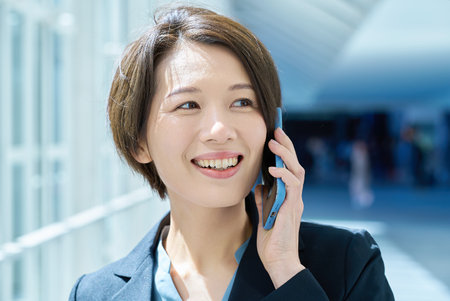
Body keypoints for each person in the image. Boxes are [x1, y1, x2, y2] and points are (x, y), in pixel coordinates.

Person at [69, 5, 394, 300]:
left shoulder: (348, 264)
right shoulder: (94, 294)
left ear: (272, 125)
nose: (220, 130)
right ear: (139, 142)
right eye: (188, 105)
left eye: (242, 102)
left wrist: (287, 273)